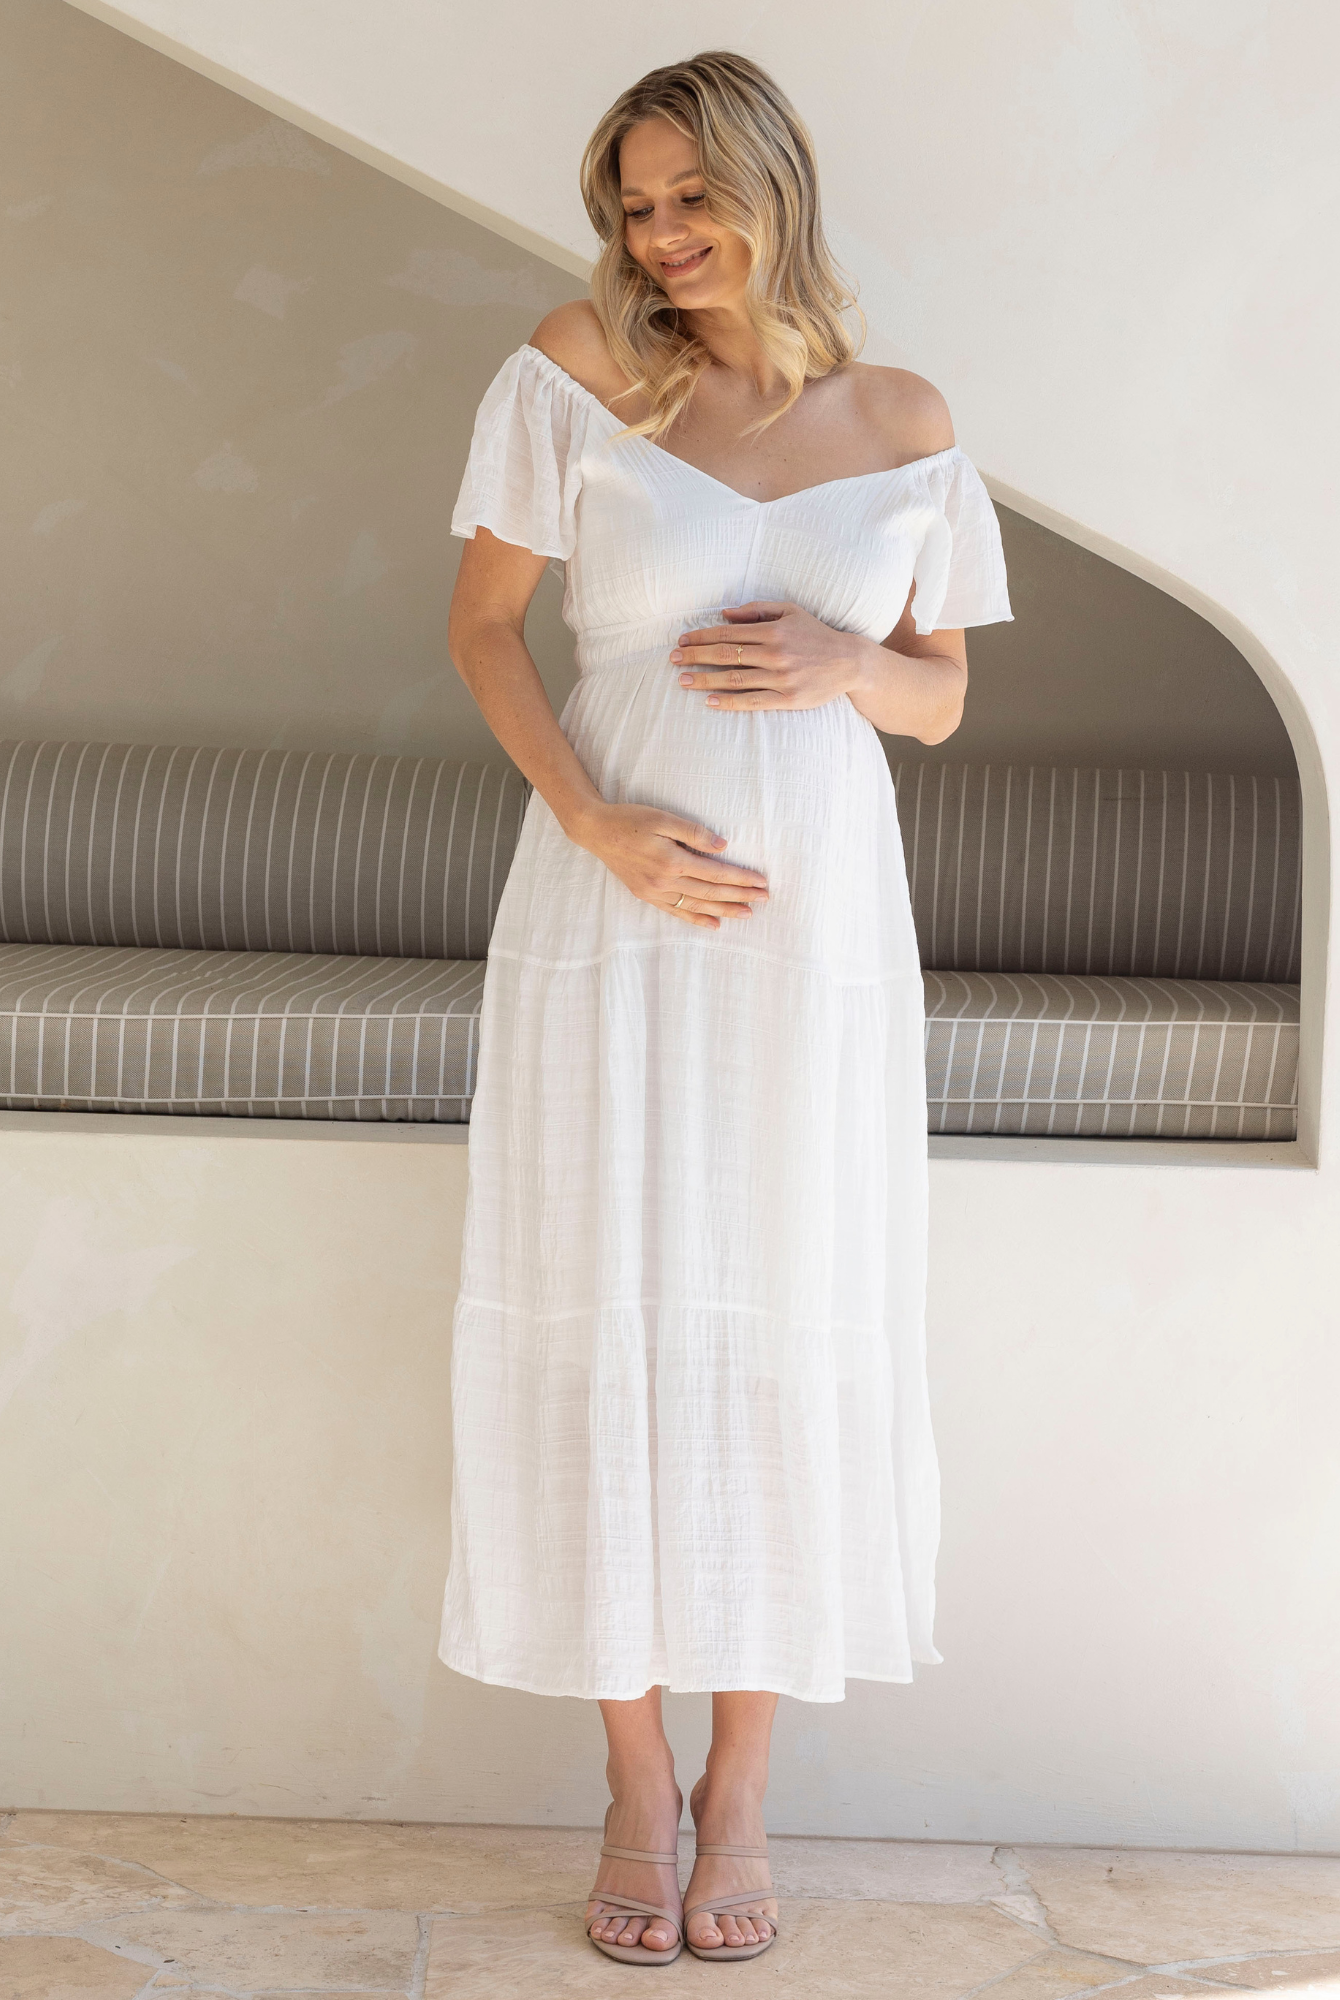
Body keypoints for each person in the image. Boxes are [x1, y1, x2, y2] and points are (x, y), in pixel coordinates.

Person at [440, 49, 1011, 1966]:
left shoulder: (906, 414)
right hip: (617, 909)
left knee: (788, 1301)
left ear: (775, 185)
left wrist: (857, 655)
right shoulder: (576, 373)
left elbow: (939, 698)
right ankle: (632, 1778)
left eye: (693, 199)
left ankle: (746, 1785)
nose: (661, 240)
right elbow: (479, 626)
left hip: (820, 929)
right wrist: (599, 821)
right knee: (611, 1295)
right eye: (632, 207)